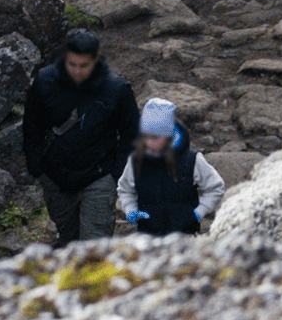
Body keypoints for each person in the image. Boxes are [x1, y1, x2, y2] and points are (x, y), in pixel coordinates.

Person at [22, 29, 140, 247]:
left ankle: (92, 280)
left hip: (99, 175)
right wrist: (36, 166)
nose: (77, 71)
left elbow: (131, 135)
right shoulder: (44, 82)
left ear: (95, 61)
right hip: (55, 176)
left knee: (93, 248)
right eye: (72, 64)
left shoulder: (117, 89)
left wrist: (117, 174)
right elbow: (32, 126)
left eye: (83, 66)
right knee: (68, 238)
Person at [116, 99, 227, 238]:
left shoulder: (192, 159)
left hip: (185, 237)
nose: (149, 142)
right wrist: (130, 209)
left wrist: (198, 213)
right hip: (148, 237)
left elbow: (216, 187)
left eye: (155, 137)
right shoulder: (136, 161)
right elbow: (125, 189)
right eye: (145, 136)